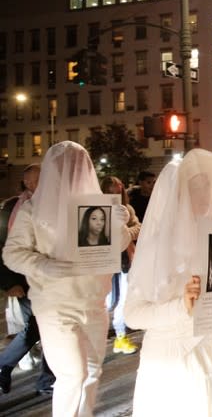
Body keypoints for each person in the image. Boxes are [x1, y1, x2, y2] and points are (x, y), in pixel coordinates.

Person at [124, 149, 212, 417]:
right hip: (173, 363)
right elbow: (132, 313)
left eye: (209, 188)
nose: (206, 196)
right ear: (179, 194)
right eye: (197, 189)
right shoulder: (155, 246)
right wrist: (181, 306)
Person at [2, 141, 131, 416]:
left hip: (95, 302)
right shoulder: (32, 209)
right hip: (55, 305)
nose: (73, 170)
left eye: (78, 164)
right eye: (66, 166)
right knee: (72, 374)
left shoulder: (95, 206)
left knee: (93, 371)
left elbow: (114, 247)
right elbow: (12, 253)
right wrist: (44, 265)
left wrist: (119, 225)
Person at [0, 164, 55, 396]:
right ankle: (6, 365)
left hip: (48, 280)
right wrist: (8, 283)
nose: (32, 186)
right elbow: (2, 247)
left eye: (37, 181)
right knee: (37, 329)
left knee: (45, 329)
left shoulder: (54, 205)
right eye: (28, 182)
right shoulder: (13, 207)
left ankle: (46, 379)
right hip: (23, 281)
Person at [100, 175, 142, 356]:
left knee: (123, 299)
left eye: (118, 189)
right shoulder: (96, 210)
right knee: (106, 301)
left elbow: (138, 227)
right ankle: (97, 338)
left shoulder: (128, 209)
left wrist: (125, 234)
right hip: (103, 262)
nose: (115, 192)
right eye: (110, 190)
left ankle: (120, 336)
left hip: (124, 260)